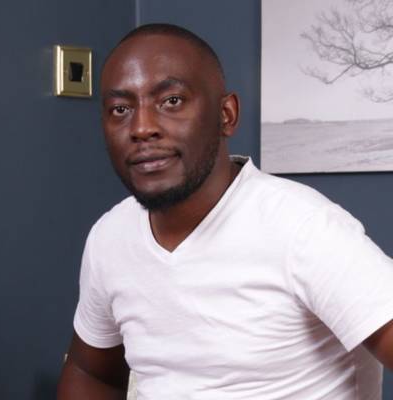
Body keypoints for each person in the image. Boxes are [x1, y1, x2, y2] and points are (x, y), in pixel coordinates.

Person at [57, 23, 393, 400]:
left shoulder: (305, 228)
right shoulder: (110, 237)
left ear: (226, 115)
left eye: (171, 101)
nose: (142, 128)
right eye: (121, 109)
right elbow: (91, 372)